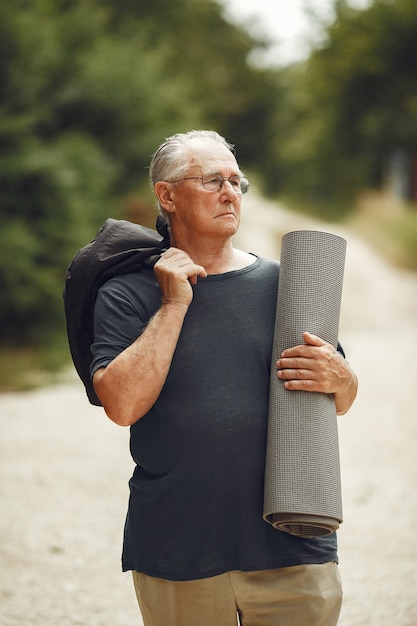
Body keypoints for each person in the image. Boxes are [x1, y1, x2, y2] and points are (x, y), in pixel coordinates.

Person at [91, 130, 358, 626]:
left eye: (237, 182)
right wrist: (173, 304)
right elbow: (122, 405)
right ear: (166, 195)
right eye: (213, 180)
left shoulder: (288, 283)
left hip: (294, 541)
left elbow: (338, 396)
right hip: (177, 549)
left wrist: (343, 378)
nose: (230, 192)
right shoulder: (127, 292)